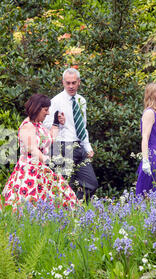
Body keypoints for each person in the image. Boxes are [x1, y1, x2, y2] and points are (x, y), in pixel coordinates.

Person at [0, 94, 79, 213]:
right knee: (29, 202)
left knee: (62, 197)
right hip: (29, 171)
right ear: (37, 108)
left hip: (42, 168)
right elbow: (32, 149)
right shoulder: (27, 126)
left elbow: (50, 139)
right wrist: (48, 162)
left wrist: (56, 123)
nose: (48, 113)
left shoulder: (38, 125)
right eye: (45, 110)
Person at [43, 68, 98, 202]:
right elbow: (44, 125)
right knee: (65, 185)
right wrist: (58, 122)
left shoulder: (81, 101)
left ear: (79, 82)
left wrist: (87, 147)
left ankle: (75, 207)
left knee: (91, 184)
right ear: (63, 83)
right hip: (62, 146)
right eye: (68, 83)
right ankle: (65, 214)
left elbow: (82, 126)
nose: (71, 86)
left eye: (74, 82)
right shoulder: (55, 101)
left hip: (79, 146)